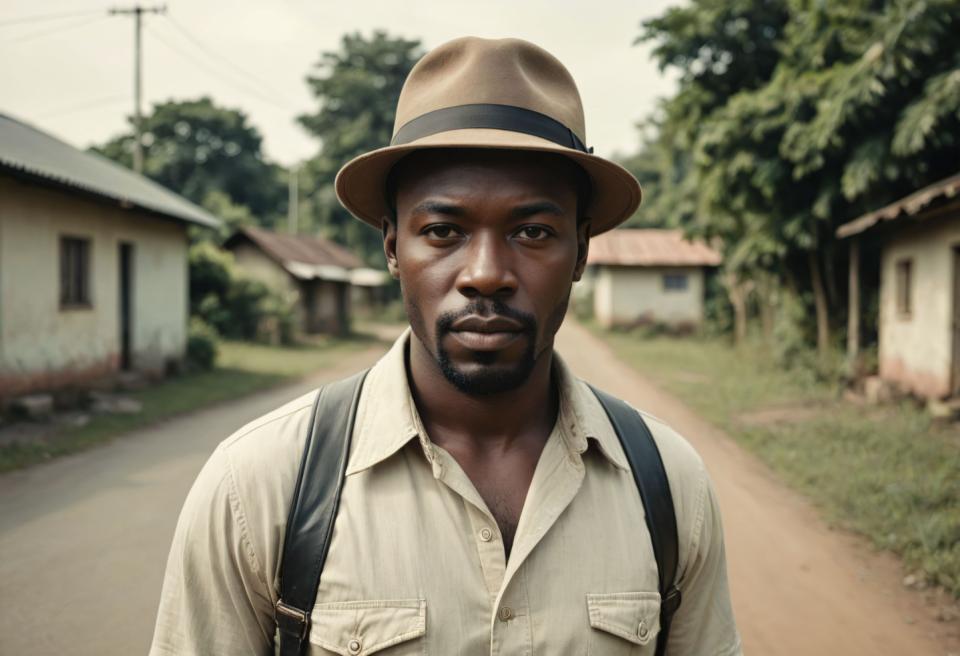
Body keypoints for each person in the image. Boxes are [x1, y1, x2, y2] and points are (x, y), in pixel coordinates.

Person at [150, 36, 742, 656]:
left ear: (582, 251)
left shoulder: (669, 485)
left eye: (533, 231)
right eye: (442, 231)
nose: (485, 272)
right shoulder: (260, 485)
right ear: (391, 246)